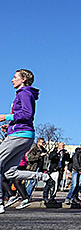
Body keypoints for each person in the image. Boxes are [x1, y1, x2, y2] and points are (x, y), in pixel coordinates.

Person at [0, 69, 52, 214]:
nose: (12, 80)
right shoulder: (24, 94)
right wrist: (9, 126)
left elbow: (27, 114)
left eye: (15, 77)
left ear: (23, 79)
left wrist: (6, 117)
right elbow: (23, 116)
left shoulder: (24, 93)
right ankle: (42, 176)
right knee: (9, 173)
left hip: (20, 135)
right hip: (22, 134)